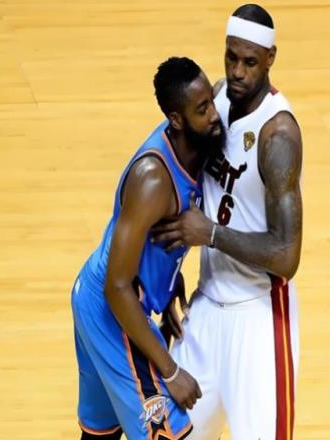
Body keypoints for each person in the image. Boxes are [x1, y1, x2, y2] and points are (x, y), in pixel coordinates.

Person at [153, 5, 303, 440]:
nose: (237, 72)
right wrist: (169, 274)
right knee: (169, 434)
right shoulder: (214, 102)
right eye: (231, 57)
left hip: (258, 317)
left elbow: (287, 257)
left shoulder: (278, 135)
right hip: (207, 305)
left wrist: (211, 234)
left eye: (250, 62)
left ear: (270, 58)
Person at [71, 56, 225, 440]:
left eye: (211, 102)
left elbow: (154, 241)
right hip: (111, 308)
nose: (214, 116)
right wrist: (171, 373)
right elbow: (116, 286)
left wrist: (167, 285)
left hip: (96, 298)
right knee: (168, 434)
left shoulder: (191, 145)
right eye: (202, 109)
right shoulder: (153, 179)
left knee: (100, 434)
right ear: (176, 119)